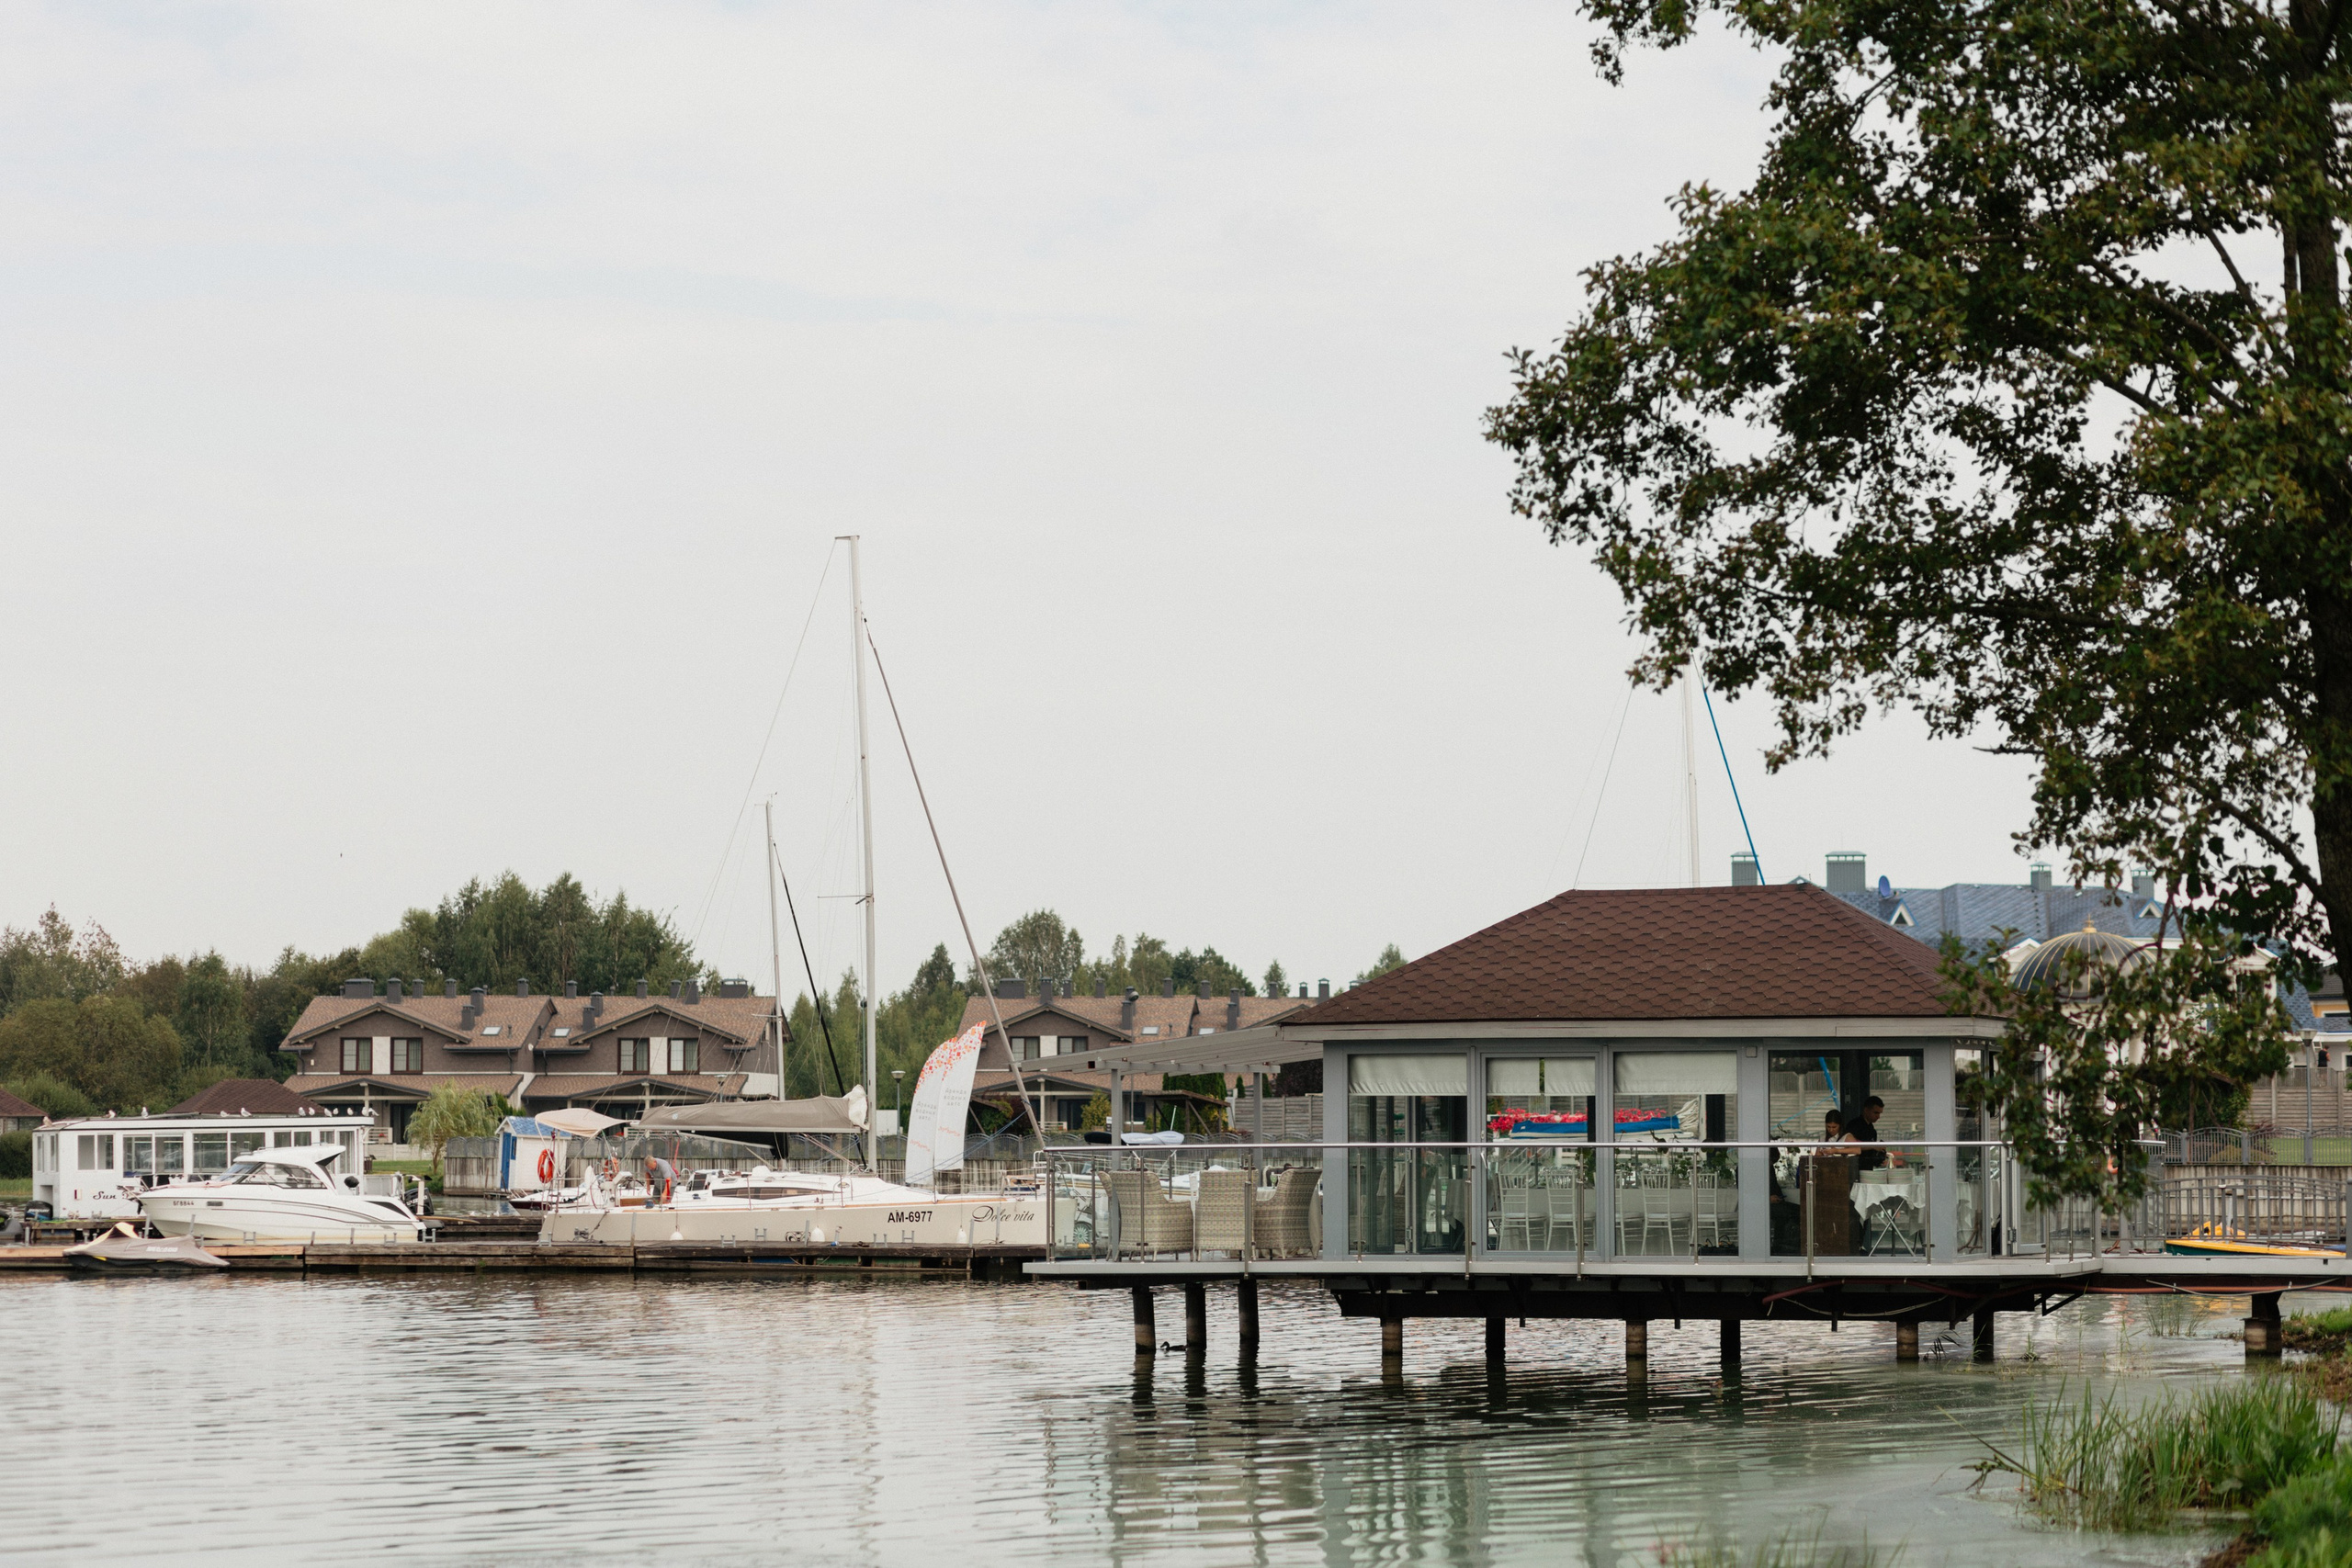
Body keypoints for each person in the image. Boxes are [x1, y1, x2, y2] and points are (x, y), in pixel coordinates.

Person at [1845, 1095, 1887, 1171]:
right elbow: (1851, 1146)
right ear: (1866, 1110)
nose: (1878, 1117)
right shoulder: (1854, 1125)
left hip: (1867, 1169)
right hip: (1854, 1167)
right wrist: (1873, 1146)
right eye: (1875, 1113)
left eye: (1879, 1113)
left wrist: (1879, 1156)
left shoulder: (1872, 1130)